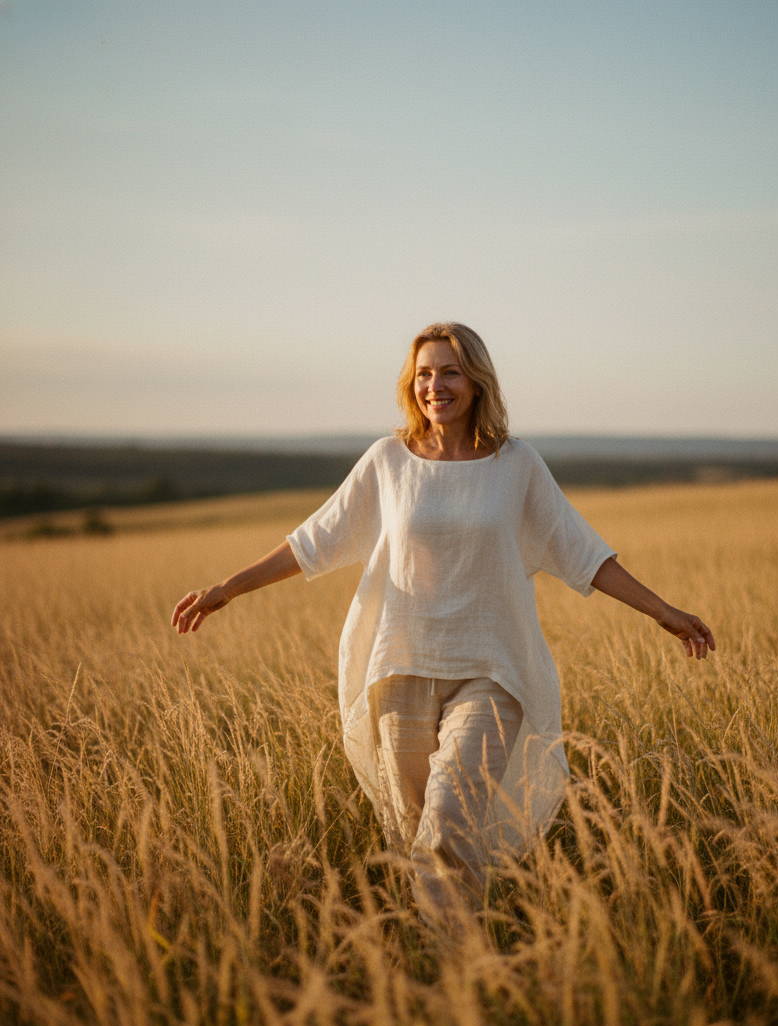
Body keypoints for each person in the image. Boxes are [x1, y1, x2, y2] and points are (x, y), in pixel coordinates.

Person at [172, 323, 715, 921]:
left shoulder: (516, 464)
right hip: (400, 671)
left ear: (477, 382)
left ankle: (460, 963)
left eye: (450, 372)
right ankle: (441, 960)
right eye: (424, 374)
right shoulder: (387, 461)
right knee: (419, 840)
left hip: (492, 672)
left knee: (447, 822)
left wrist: (664, 612)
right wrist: (227, 589)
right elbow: (312, 542)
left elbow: (581, 551)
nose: (436, 386)